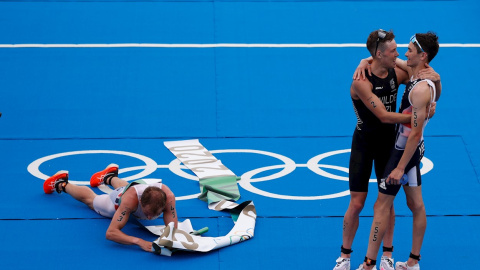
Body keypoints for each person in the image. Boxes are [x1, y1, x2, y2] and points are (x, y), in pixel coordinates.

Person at [334, 29, 440, 270]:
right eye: (393, 51)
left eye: (401, 50)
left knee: (386, 203)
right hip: (364, 144)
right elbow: (382, 115)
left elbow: (421, 77)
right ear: (379, 54)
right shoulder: (361, 81)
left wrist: (436, 82)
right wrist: (417, 119)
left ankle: (387, 256)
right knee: (357, 203)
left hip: (390, 146)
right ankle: (344, 256)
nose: (399, 54)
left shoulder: (397, 72)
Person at [43, 163, 178, 252]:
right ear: (141, 202)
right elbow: (111, 233)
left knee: (125, 187)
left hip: (132, 188)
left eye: (155, 213)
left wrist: (170, 238)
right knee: (92, 200)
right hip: (117, 199)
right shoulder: (129, 201)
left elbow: (172, 228)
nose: (149, 218)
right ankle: (61, 183)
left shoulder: (169, 197)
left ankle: (109, 176)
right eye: (147, 213)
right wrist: (139, 241)